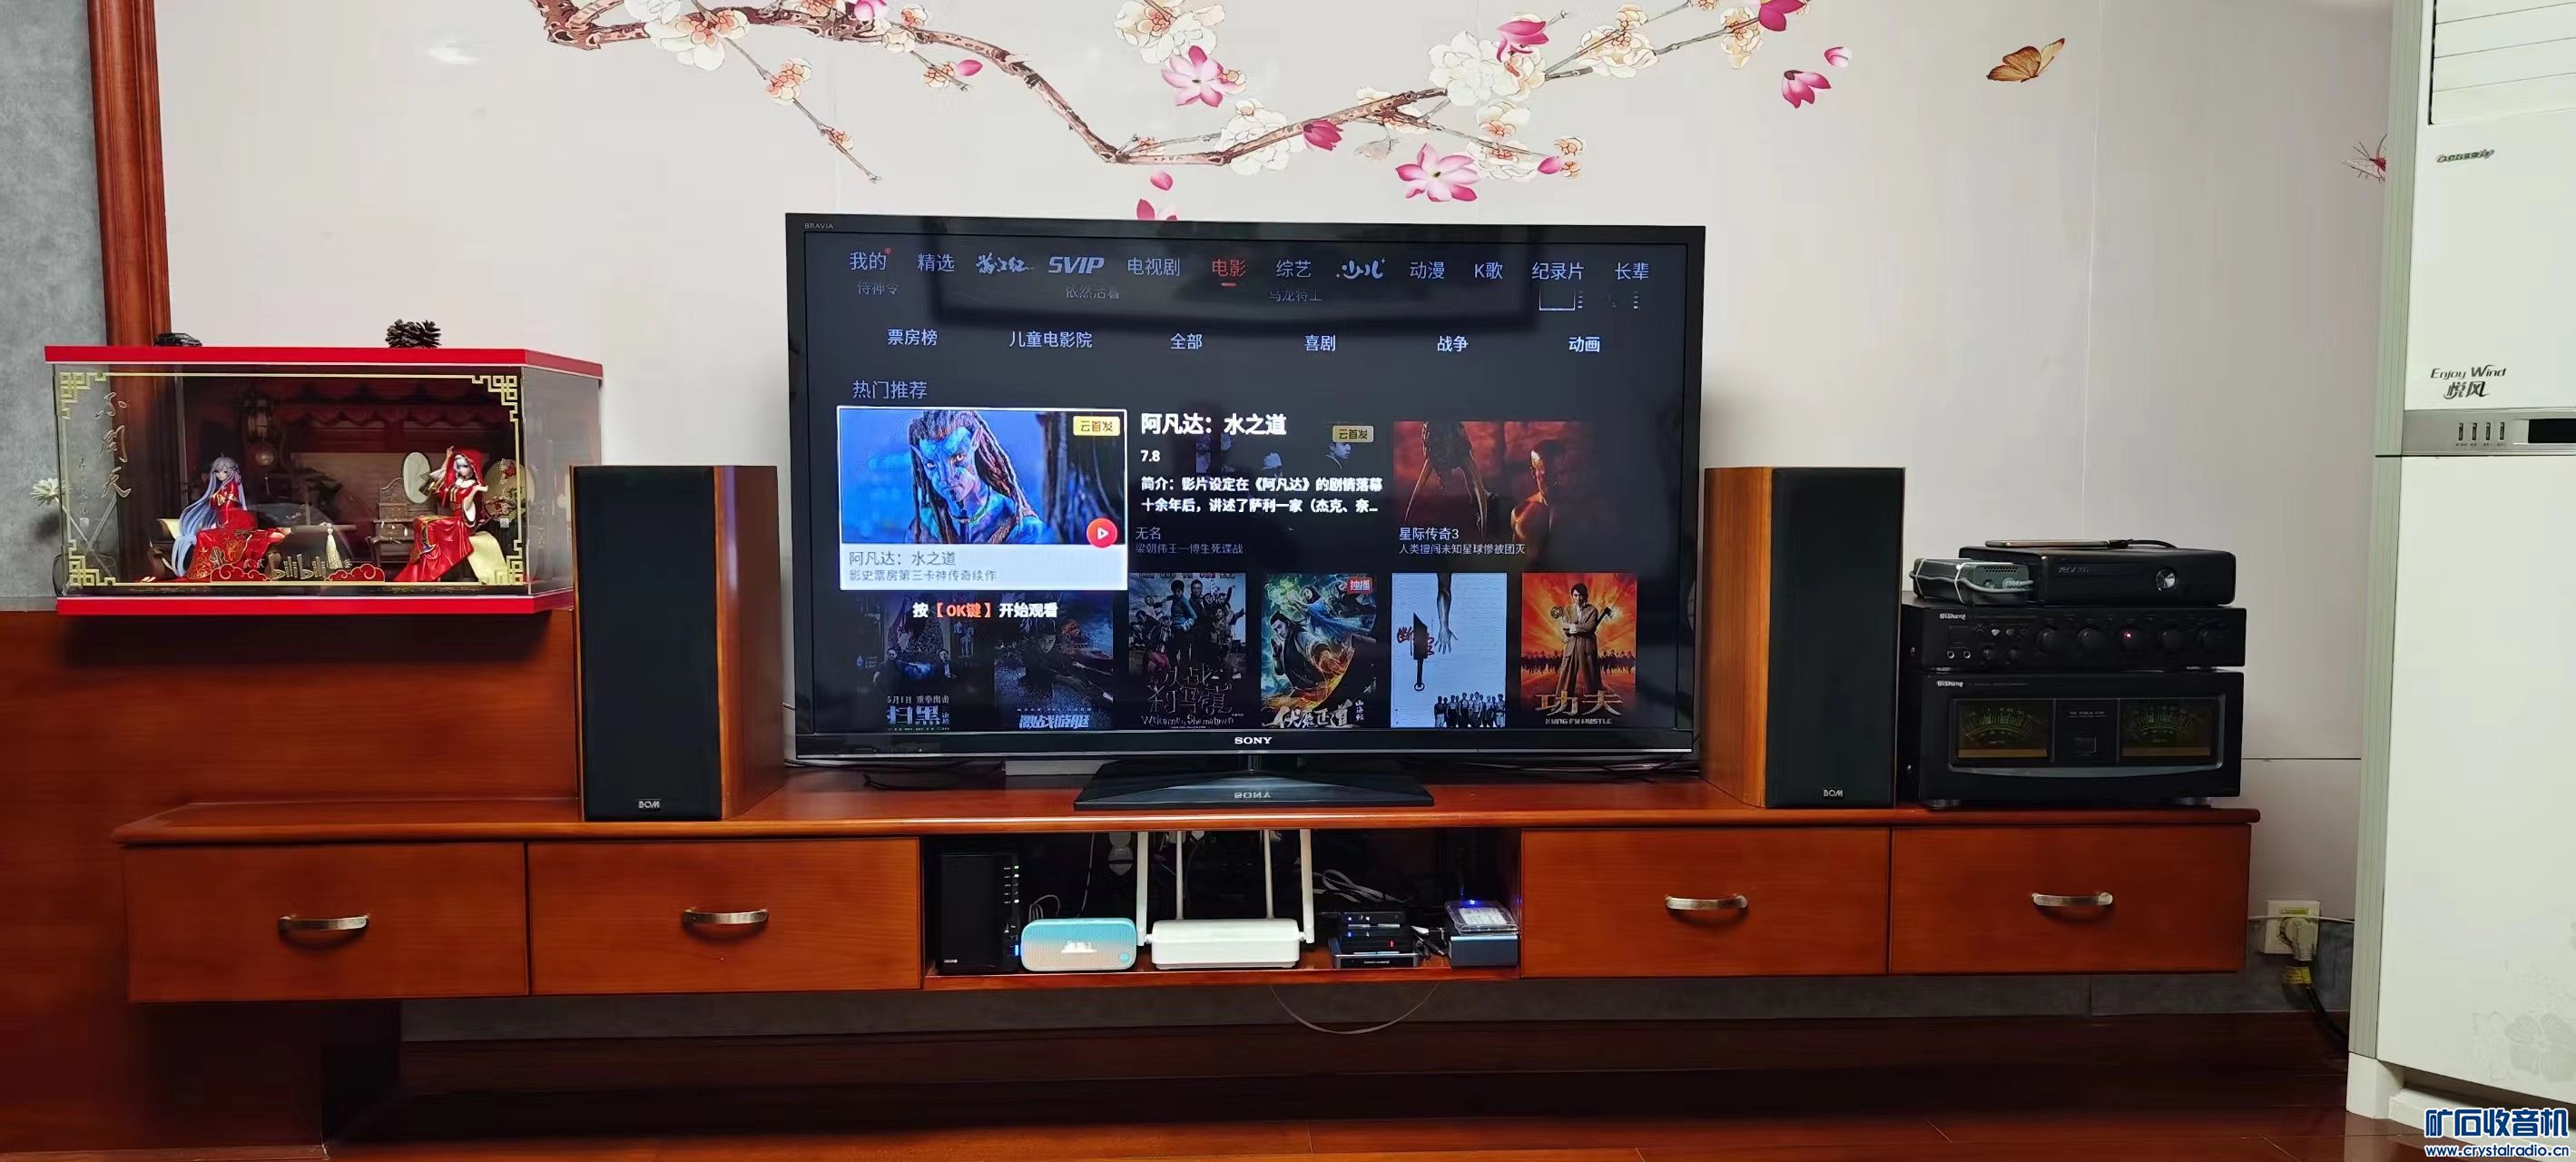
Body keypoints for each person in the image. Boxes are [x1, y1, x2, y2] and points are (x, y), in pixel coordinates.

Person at [907, 409, 1050, 545]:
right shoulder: (924, 526)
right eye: (932, 465)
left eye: (958, 457)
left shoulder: (1023, 528)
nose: (946, 477)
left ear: (975, 441)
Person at [172, 456, 285, 580]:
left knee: (204, 536)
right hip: (225, 520)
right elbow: (215, 505)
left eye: (225, 471)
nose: (221, 475)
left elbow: (226, 506)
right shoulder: (222, 488)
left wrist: (221, 515)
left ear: (231, 472)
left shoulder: (231, 486)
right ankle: (210, 568)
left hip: (233, 520)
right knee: (204, 536)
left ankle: (209, 569)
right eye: (217, 472)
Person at [395, 448, 489, 583]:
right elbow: (439, 480)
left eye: (465, 466)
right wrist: (448, 458)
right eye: (458, 466)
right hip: (453, 519)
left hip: (462, 523)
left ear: (473, 467)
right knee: (420, 521)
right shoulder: (457, 482)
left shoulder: (474, 485)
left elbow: (467, 507)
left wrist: (474, 491)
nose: (461, 470)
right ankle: (427, 558)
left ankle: (434, 565)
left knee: (429, 525)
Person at [1552, 582, 1612, 707]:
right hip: (1571, 646)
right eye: (1575, 595)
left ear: (1585, 596)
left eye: (1580, 595)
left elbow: (1590, 627)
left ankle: (1594, 705)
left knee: (1592, 676)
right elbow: (1566, 629)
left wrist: (1574, 627)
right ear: (1572, 596)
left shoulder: (1593, 610)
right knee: (1566, 676)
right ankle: (1560, 703)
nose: (1578, 598)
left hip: (1587, 646)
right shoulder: (1568, 610)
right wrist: (1573, 628)